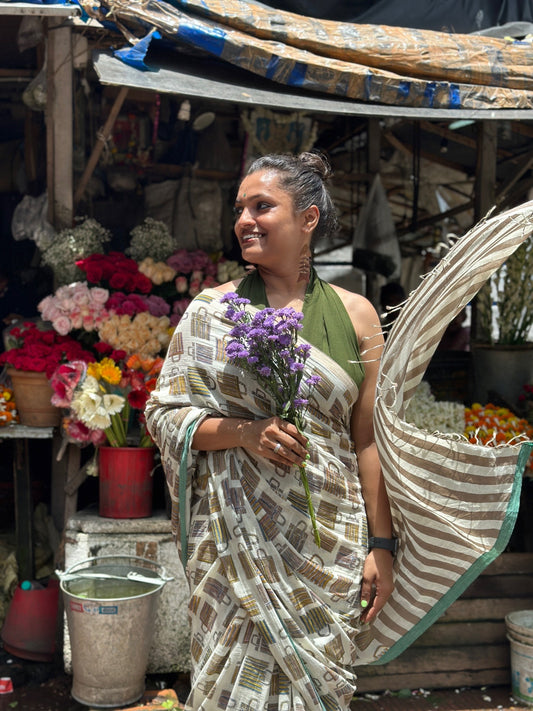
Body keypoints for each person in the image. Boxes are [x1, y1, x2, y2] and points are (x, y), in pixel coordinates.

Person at [146, 152, 394, 710]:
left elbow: (368, 438)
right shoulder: (212, 312)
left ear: (308, 219)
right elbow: (164, 415)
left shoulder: (357, 316)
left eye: (262, 206)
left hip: (328, 541)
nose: (244, 220)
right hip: (235, 546)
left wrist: (383, 545)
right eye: (240, 209)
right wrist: (243, 432)